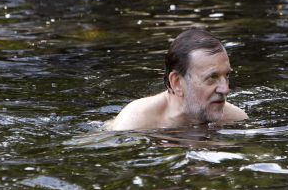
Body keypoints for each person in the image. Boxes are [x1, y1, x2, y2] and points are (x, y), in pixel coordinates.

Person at [106, 28, 248, 131]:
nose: (225, 89)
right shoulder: (135, 123)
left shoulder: (236, 118)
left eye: (226, 75)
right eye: (212, 77)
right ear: (177, 83)